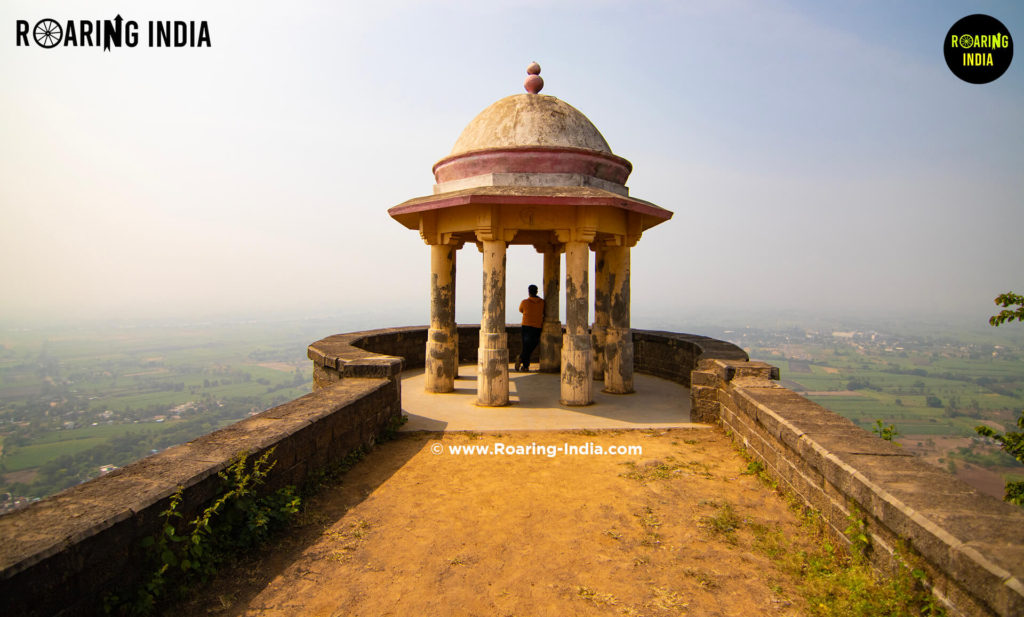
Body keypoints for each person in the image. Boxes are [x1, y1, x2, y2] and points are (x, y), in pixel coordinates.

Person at [516, 284, 545, 372]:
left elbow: (521, 310)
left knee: (526, 346)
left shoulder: (525, 302)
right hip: (537, 327)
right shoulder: (542, 302)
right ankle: (525, 366)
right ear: (537, 292)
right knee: (532, 346)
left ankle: (522, 359)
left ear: (529, 292)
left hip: (526, 326)